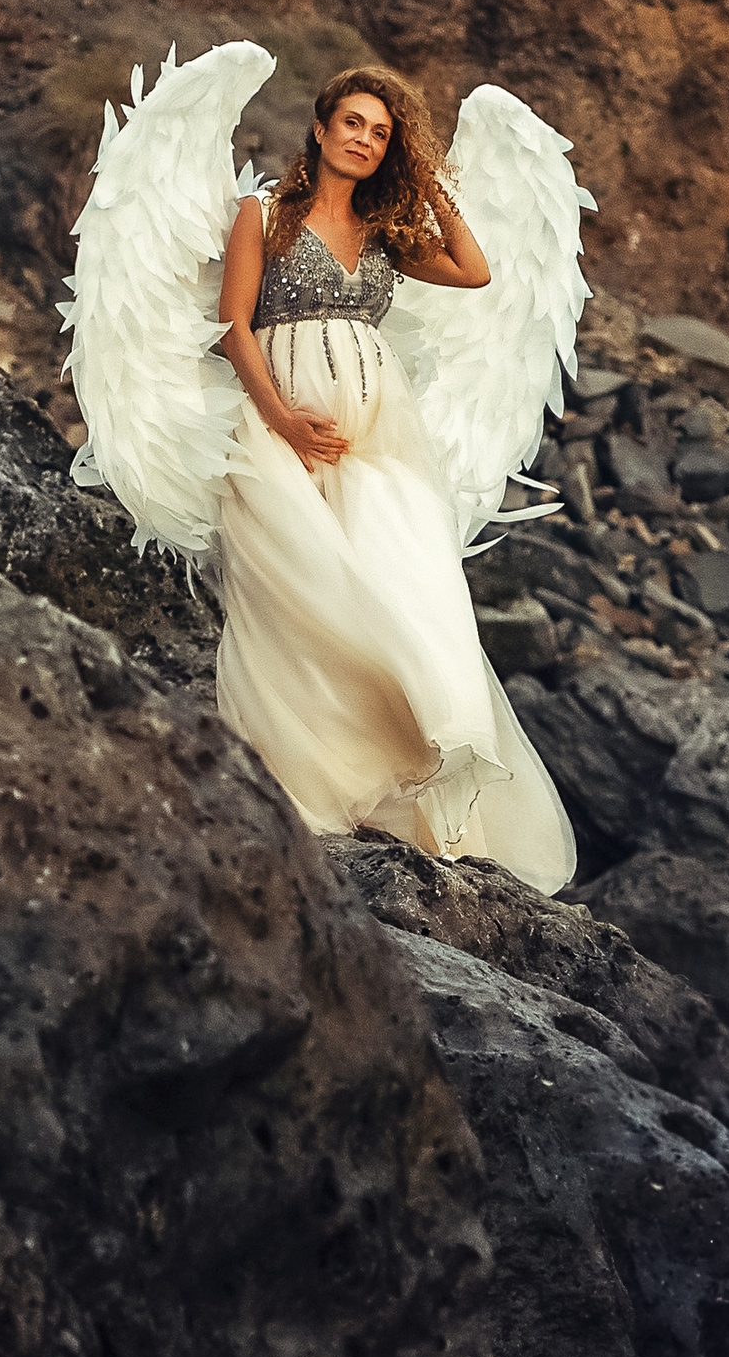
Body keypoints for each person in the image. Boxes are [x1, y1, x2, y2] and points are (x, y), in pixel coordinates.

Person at [203, 64, 579, 891]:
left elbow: (474, 268)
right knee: (313, 597)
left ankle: (407, 787)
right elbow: (235, 327)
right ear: (321, 124)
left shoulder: (383, 235)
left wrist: (430, 178)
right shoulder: (262, 214)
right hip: (283, 433)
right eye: (355, 124)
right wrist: (281, 419)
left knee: (411, 601)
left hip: (382, 444)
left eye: (382, 132)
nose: (365, 140)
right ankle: (309, 779)